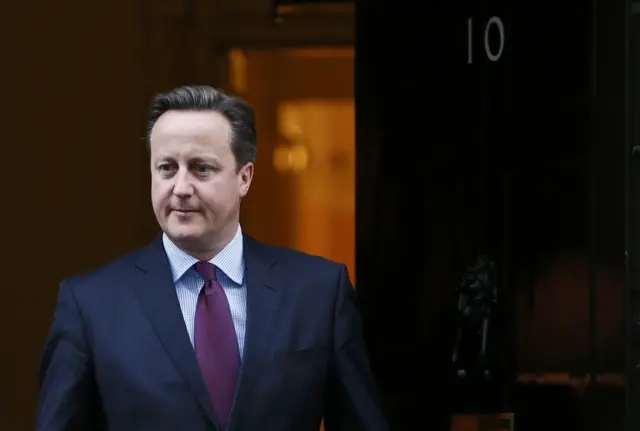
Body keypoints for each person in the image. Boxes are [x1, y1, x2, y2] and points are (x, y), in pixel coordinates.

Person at [35, 85, 389, 431]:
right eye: (166, 168)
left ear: (244, 177)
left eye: (201, 168)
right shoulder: (92, 304)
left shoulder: (318, 292)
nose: (181, 187)